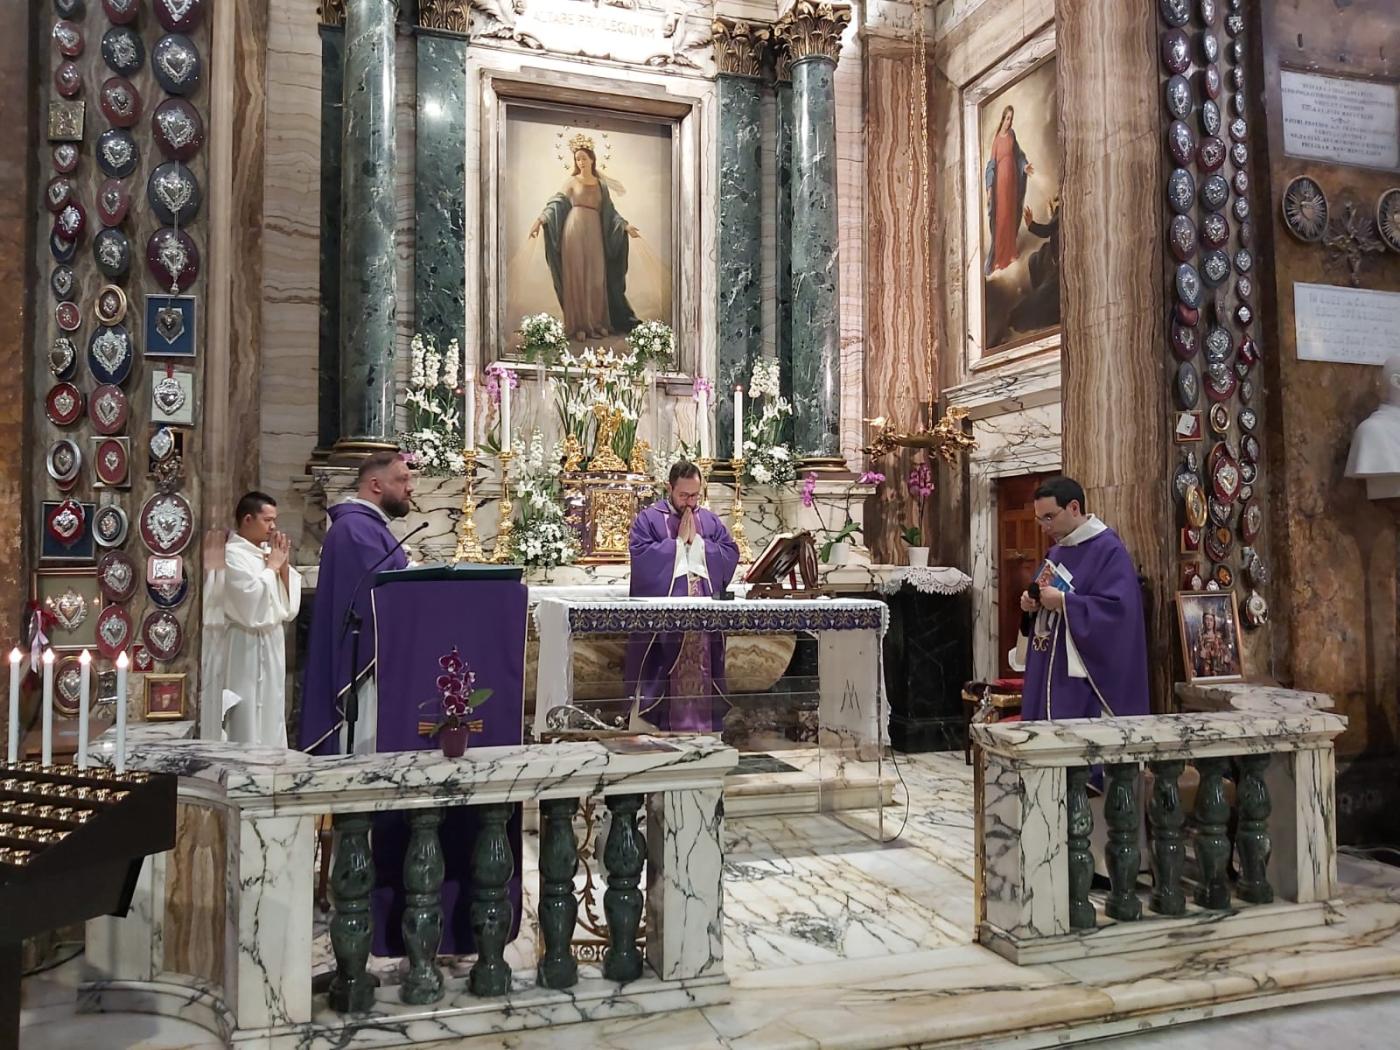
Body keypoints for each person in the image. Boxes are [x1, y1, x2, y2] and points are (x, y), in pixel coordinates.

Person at [299, 451, 414, 754]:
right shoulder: (355, 529)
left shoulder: (367, 527)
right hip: (362, 665)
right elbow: (374, 593)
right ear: (376, 485)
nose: (411, 488)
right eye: (402, 479)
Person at [1013, 476, 1149, 720]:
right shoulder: (1056, 551)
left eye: (1049, 517)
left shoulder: (1109, 550)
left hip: (1081, 680)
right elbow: (1042, 591)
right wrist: (1031, 604)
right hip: (1048, 666)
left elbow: (1119, 612)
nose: (1044, 527)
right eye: (1039, 519)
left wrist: (1064, 602)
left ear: (1074, 508)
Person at [624, 461, 741, 731]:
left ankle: (704, 734)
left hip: (703, 624)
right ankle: (658, 734)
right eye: (683, 495)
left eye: (694, 496)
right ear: (670, 488)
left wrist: (697, 544)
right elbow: (641, 557)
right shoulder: (649, 519)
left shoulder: (709, 520)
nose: (689, 502)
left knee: (704, 669)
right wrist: (677, 545)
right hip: (665, 627)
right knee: (661, 670)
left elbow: (729, 552)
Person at [200, 492, 301, 747]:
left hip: (271, 641)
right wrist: (272, 568)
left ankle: (272, 759)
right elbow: (249, 600)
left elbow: (288, 608)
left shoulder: (265, 553)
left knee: (272, 710)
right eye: (267, 520)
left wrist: (283, 567)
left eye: (274, 520)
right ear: (247, 519)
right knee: (246, 712)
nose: (273, 527)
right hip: (244, 644)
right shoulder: (231, 555)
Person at [529, 140, 641, 342]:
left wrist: (626, 226)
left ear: (592, 159)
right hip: (574, 232)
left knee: (596, 278)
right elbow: (555, 204)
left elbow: (610, 212)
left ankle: (598, 323)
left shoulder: (601, 185)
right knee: (577, 277)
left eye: (583, 158)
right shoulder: (571, 182)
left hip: (595, 233)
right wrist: (539, 221)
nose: (580, 162)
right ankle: (579, 325)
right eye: (577, 159)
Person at [984, 104, 1034, 275]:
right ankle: (1000, 259)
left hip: (1013, 182)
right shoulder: (997, 141)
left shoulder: (1012, 135)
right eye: (1007, 118)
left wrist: (1024, 166)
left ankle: (1011, 252)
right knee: (1002, 218)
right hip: (1001, 185)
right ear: (1002, 119)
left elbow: (1018, 155)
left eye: (1011, 119)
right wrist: (989, 188)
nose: (1009, 122)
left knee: (1011, 215)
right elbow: (991, 166)